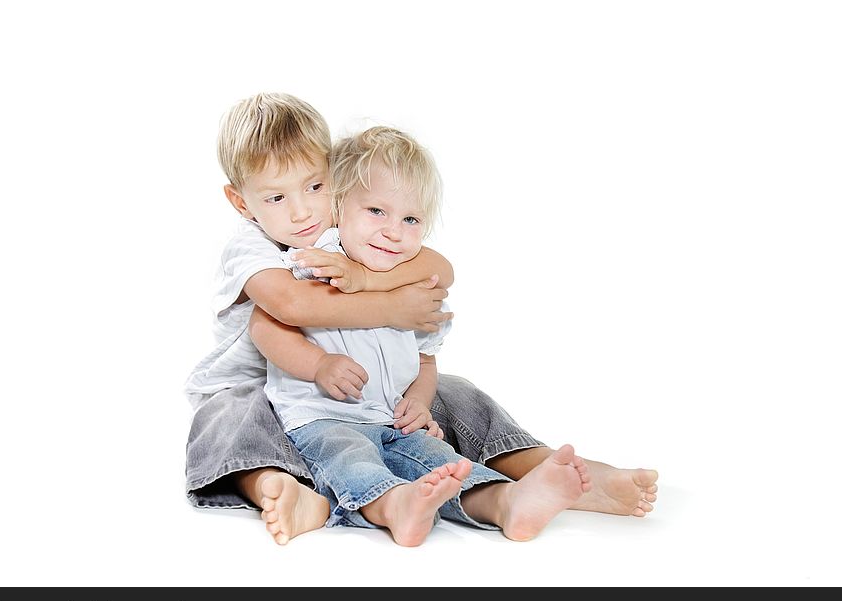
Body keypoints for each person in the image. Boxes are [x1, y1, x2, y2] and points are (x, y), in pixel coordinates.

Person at [184, 92, 658, 545]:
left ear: (337, 179)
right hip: (272, 392)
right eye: (276, 198)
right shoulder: (256, 246)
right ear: (243, 202)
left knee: (457, 395)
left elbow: (437, 269)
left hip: (373, 397)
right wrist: (392, 306)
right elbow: (285, 310)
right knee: (234, 418)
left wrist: (374, 289)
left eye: (315, 185)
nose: (303, 209)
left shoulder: (353, 229)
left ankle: (554, 473)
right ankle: (279, 488)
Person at [252, 126, 592, 546]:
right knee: (349, 458)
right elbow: (266, 328)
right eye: (376, 211)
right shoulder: (319, 262)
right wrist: (318, 364)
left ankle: (506, 501)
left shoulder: (415, 291)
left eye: (410, 219)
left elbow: (426, 358)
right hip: (322, 416)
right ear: (339, 206)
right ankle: (396, 506)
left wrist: (419, 399)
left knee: (441, 462)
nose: (394, 231)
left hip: (394, 418)